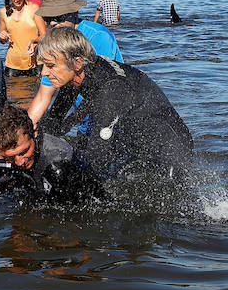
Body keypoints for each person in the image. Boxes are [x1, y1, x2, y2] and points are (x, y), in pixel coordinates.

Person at [36, 26, 193, 180]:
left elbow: (97, 158)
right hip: (135, 138)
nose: (44, 72)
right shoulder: (78, 74)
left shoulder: (111, 87)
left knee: (95, 175)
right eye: (43, 65)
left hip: (170, 146)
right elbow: (53, 122)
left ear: (77, 63)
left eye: (50, 65)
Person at [27, 0, 123, 125]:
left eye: (58, 18)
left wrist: (67, 125)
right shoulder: (53, 42)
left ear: (74, 13)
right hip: (84, 122)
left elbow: (102, 90)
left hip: (111, 119)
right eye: (48, 19)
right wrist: (22, 133)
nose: (52, 23)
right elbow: (43, 96)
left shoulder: (99, 37)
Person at [0, 0, 47, 77]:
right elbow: (2, 40)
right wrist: (2, 37)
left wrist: (34, 41)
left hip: (35, 62)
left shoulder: (34, 8)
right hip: (13, 64)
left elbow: (44, 36)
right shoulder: (3, 12)